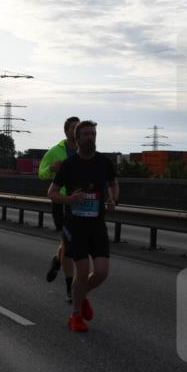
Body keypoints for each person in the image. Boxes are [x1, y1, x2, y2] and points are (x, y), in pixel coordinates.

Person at [48, 121, 119, 332]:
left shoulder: (104, 162)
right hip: (75, 225)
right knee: (82, 271)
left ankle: (81, 294)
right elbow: (51, 192)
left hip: (97, 224)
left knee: (102, 272)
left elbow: (113, 183)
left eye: (93, 134)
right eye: (86, 134)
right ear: (77, 139)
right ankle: (76, 315)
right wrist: (70, 199)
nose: (91, 137)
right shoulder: (69, 164)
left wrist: (113, 198)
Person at [38, 116, 79, 302]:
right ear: (66, 131)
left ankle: (57, 259)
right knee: (68, 244)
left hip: (79, 203)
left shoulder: (84, 151)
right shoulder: (55, 151)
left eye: (78, 127)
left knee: (70, 243)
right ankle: (70, 288)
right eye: (73, 128)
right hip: (61, 202)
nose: (76, 131)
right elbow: (41, 173)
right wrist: (51, 169)